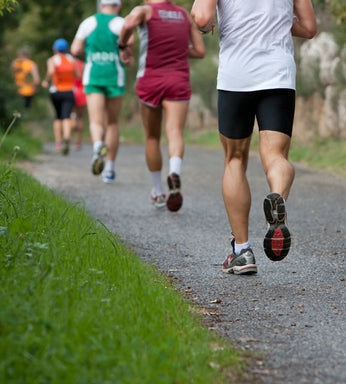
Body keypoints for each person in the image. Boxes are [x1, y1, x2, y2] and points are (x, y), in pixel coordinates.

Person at [191, 0, 317, 274]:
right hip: (278, 74)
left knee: (234, 159)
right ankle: (276, 196)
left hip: (236, 75)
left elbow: (201, 18)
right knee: (276, 156)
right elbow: (309, 28)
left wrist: (209, 24)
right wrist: (279, 22)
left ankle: (242, 251)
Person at [118, 0, 205, 211]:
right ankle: (174, 171)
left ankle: (157, 191)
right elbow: (200, 51)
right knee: (174, 132)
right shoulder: (184, 15)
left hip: (151, 80)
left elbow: (128, 24)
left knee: (152, 136)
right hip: (178, 80)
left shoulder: (144, 11)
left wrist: (122, 46)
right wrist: (178, 50)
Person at [71, 0, 130, 183]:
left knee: (96, 121)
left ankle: (98, 147)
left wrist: (88, 53)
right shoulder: (121, 23)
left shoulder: (88, 22)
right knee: (112, 123)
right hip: (114, 76)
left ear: (101, 5)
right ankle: (110, 170)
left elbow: (75, 49)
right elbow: (130, 45)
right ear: (118, 6)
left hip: (93, 76)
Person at [41, 38, 78, 155]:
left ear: (55, 49)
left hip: (56, 91)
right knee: (66, 116)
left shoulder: (52, 60)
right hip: (69, 91)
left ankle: (58, 142)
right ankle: (67, 137)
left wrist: (46, 81)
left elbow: (51, 71)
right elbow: (77, 75)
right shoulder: (72, 60)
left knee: (58, 117)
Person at [72, 58, 87, 151]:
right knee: (80, 118)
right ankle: (78, 142)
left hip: (70, 91)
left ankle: (63, 140)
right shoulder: (84, 65)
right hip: (82, 92)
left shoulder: (69, 62)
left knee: (68, 117)